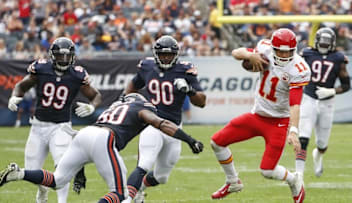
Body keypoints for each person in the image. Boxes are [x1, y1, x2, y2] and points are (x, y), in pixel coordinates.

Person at [0, 93, 204, 203]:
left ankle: (19, 173)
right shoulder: (142, 108)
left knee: (57, 180)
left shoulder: (114, 107)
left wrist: (80, 171)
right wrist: (189, 139)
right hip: (104, 139)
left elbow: (88, 147)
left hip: (85, 134)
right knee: (120, 194)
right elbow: (164, 124)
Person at [210, 28, 310, 203]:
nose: (284, 55)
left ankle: (294, 179)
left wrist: (293, 130)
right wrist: (250, 56)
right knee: (217, 142)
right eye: (280, 50)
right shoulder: (264, 49)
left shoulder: (298, 68)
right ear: (273, 48)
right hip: (256, 116)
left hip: (278, 122)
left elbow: (295, 104)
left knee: (268, 171)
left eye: (288, 51)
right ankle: (233, 181)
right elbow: (236, 52)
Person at [6, 37, 102, 203]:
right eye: (60, 56)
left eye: (67, 56)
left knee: (62, 170)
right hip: (37, 127)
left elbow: (96, 96)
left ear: (72, 56)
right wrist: (15, 96)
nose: (63, 60)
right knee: (31, 170)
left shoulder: (77, 74)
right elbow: (21, 86)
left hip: (61, 127)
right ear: (52, 55)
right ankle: (42, 191)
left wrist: (92, 107)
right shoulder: (41, 68)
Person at [123, 35, 206, 203]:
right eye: (162, 54)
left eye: (169, 54)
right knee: (144, 164)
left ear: (176, 55)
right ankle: (126, 199)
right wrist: (126, 99)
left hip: (174, 128)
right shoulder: (147, 66)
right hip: (151, 124)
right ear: (156, 54)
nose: (166, 58)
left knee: (162, 177)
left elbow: (201, 102)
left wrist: (189, 90)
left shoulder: (185, 70)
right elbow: (133, 85)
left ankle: (140, 189)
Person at [295, 27, 350, 177]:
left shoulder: (339, 58)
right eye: (322, 43)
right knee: (303, 137)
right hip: (309, 98)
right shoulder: (306, 54)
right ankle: (298, 175)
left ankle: (318, 155)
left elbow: (346, 85)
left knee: (322, 144)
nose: (324, 46)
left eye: (327, 43)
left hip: (327, 102)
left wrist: (331, 91)